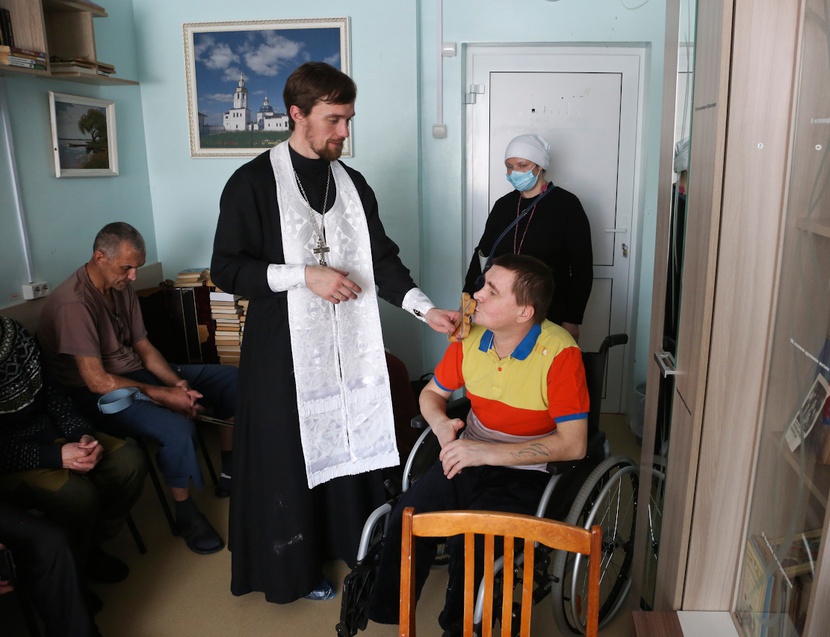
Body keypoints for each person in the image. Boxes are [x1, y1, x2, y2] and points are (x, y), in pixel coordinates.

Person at [210, 61, 458, 604]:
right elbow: (226, 270)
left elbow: (381, 260)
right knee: (288, 456)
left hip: (348, 343)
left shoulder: (353, 184)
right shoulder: (252, 182)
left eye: (348, 119)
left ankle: (353, 543)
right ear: (297, 114)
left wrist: (426, 310)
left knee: (350, 439)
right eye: (334, 120)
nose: (344, 131)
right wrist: (304, 275)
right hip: (281, 348)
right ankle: (294, 567)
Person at [367, 254, 590, 636]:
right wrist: (441, 425)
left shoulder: (559, 353)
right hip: (468, 452)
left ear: (524, 312)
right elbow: (432, 394)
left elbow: (574, 445)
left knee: (471, 542)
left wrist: (486, 452)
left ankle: (459, 628)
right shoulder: (469, 337)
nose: (477, 295)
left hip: (527, 469)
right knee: (408, 516)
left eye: (492, 291)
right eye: (483, 285)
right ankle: (393, 614)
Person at [37, 222, 237, 556]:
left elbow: (143, 347)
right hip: (96, 395)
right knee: (177, 428)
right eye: (127, 268)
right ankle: (186, 513)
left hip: (135, 373)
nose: (133, 276)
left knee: (232, 380)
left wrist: (176, 384)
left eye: (137, 268)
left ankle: (230, 471)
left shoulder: (120, 286)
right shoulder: (74, 304)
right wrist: (165, 396)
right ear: (99, 258)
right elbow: (96, 381)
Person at [0, 315, 145, 588]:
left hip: (54, 432)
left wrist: (82, 434)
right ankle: (69, 572)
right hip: (14, 460)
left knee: (130, 461)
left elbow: (54, 394)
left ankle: (90, 547)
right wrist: (55, 456)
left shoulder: (13, 330)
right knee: (77, 496)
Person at [463, 133, 593, 341]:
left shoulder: (567, 205)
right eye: (509, 166)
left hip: (549, 310)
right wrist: (467, 303)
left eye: (522, 165)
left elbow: (582, 269)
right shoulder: (503, 205)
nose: (514, 172)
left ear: (539, 166)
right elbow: (481, 255)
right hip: (502, 312)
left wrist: (572, 319)